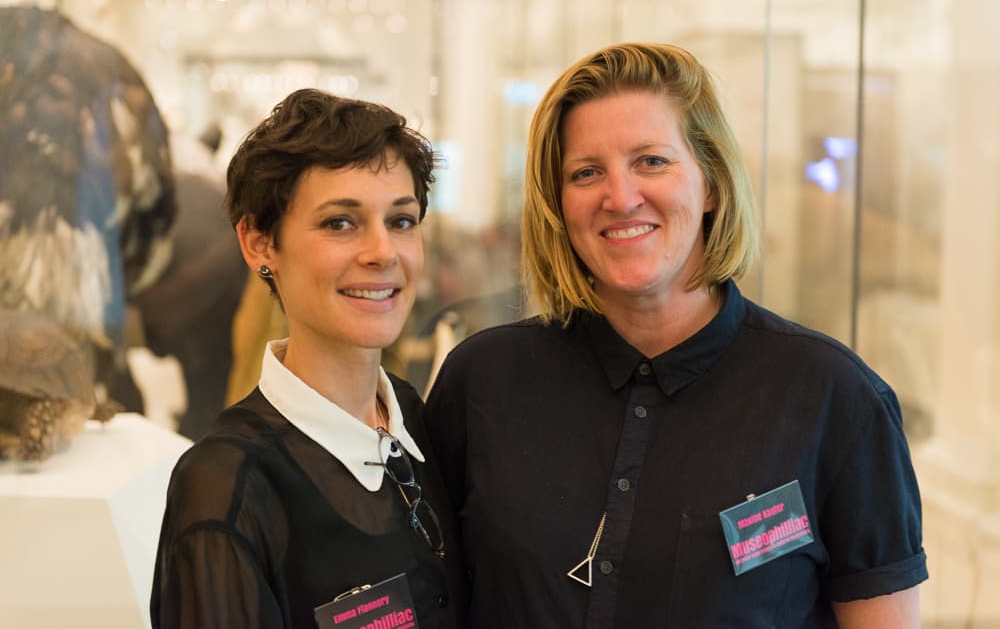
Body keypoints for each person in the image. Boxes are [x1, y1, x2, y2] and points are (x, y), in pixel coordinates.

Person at [424, 42, 927, 628]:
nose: (620, 197)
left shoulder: (833, 398)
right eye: (586, 173)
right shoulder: (483, 383)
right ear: (558, 205)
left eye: (651, 162)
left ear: (710, 183)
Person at [151, 88, 467, 628]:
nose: (382, 252)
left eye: (401, 220)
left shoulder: (414, 417)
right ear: (259, 243)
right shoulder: (226, 486)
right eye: (340, 223)